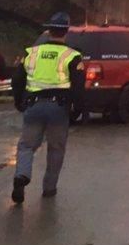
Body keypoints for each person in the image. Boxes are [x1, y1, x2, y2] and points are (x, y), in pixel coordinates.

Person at [11, 12, 84, 203]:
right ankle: (49, 188)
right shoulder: (72, 56)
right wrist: (77, 109)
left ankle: (22, 176)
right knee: (56, 149)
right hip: (58, 109)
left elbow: (17, 79)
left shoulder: (31, 52)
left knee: (26, 146)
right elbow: (78, 86)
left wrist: (19, 101)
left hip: (33, 106)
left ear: (48, 30)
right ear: (66, 31)